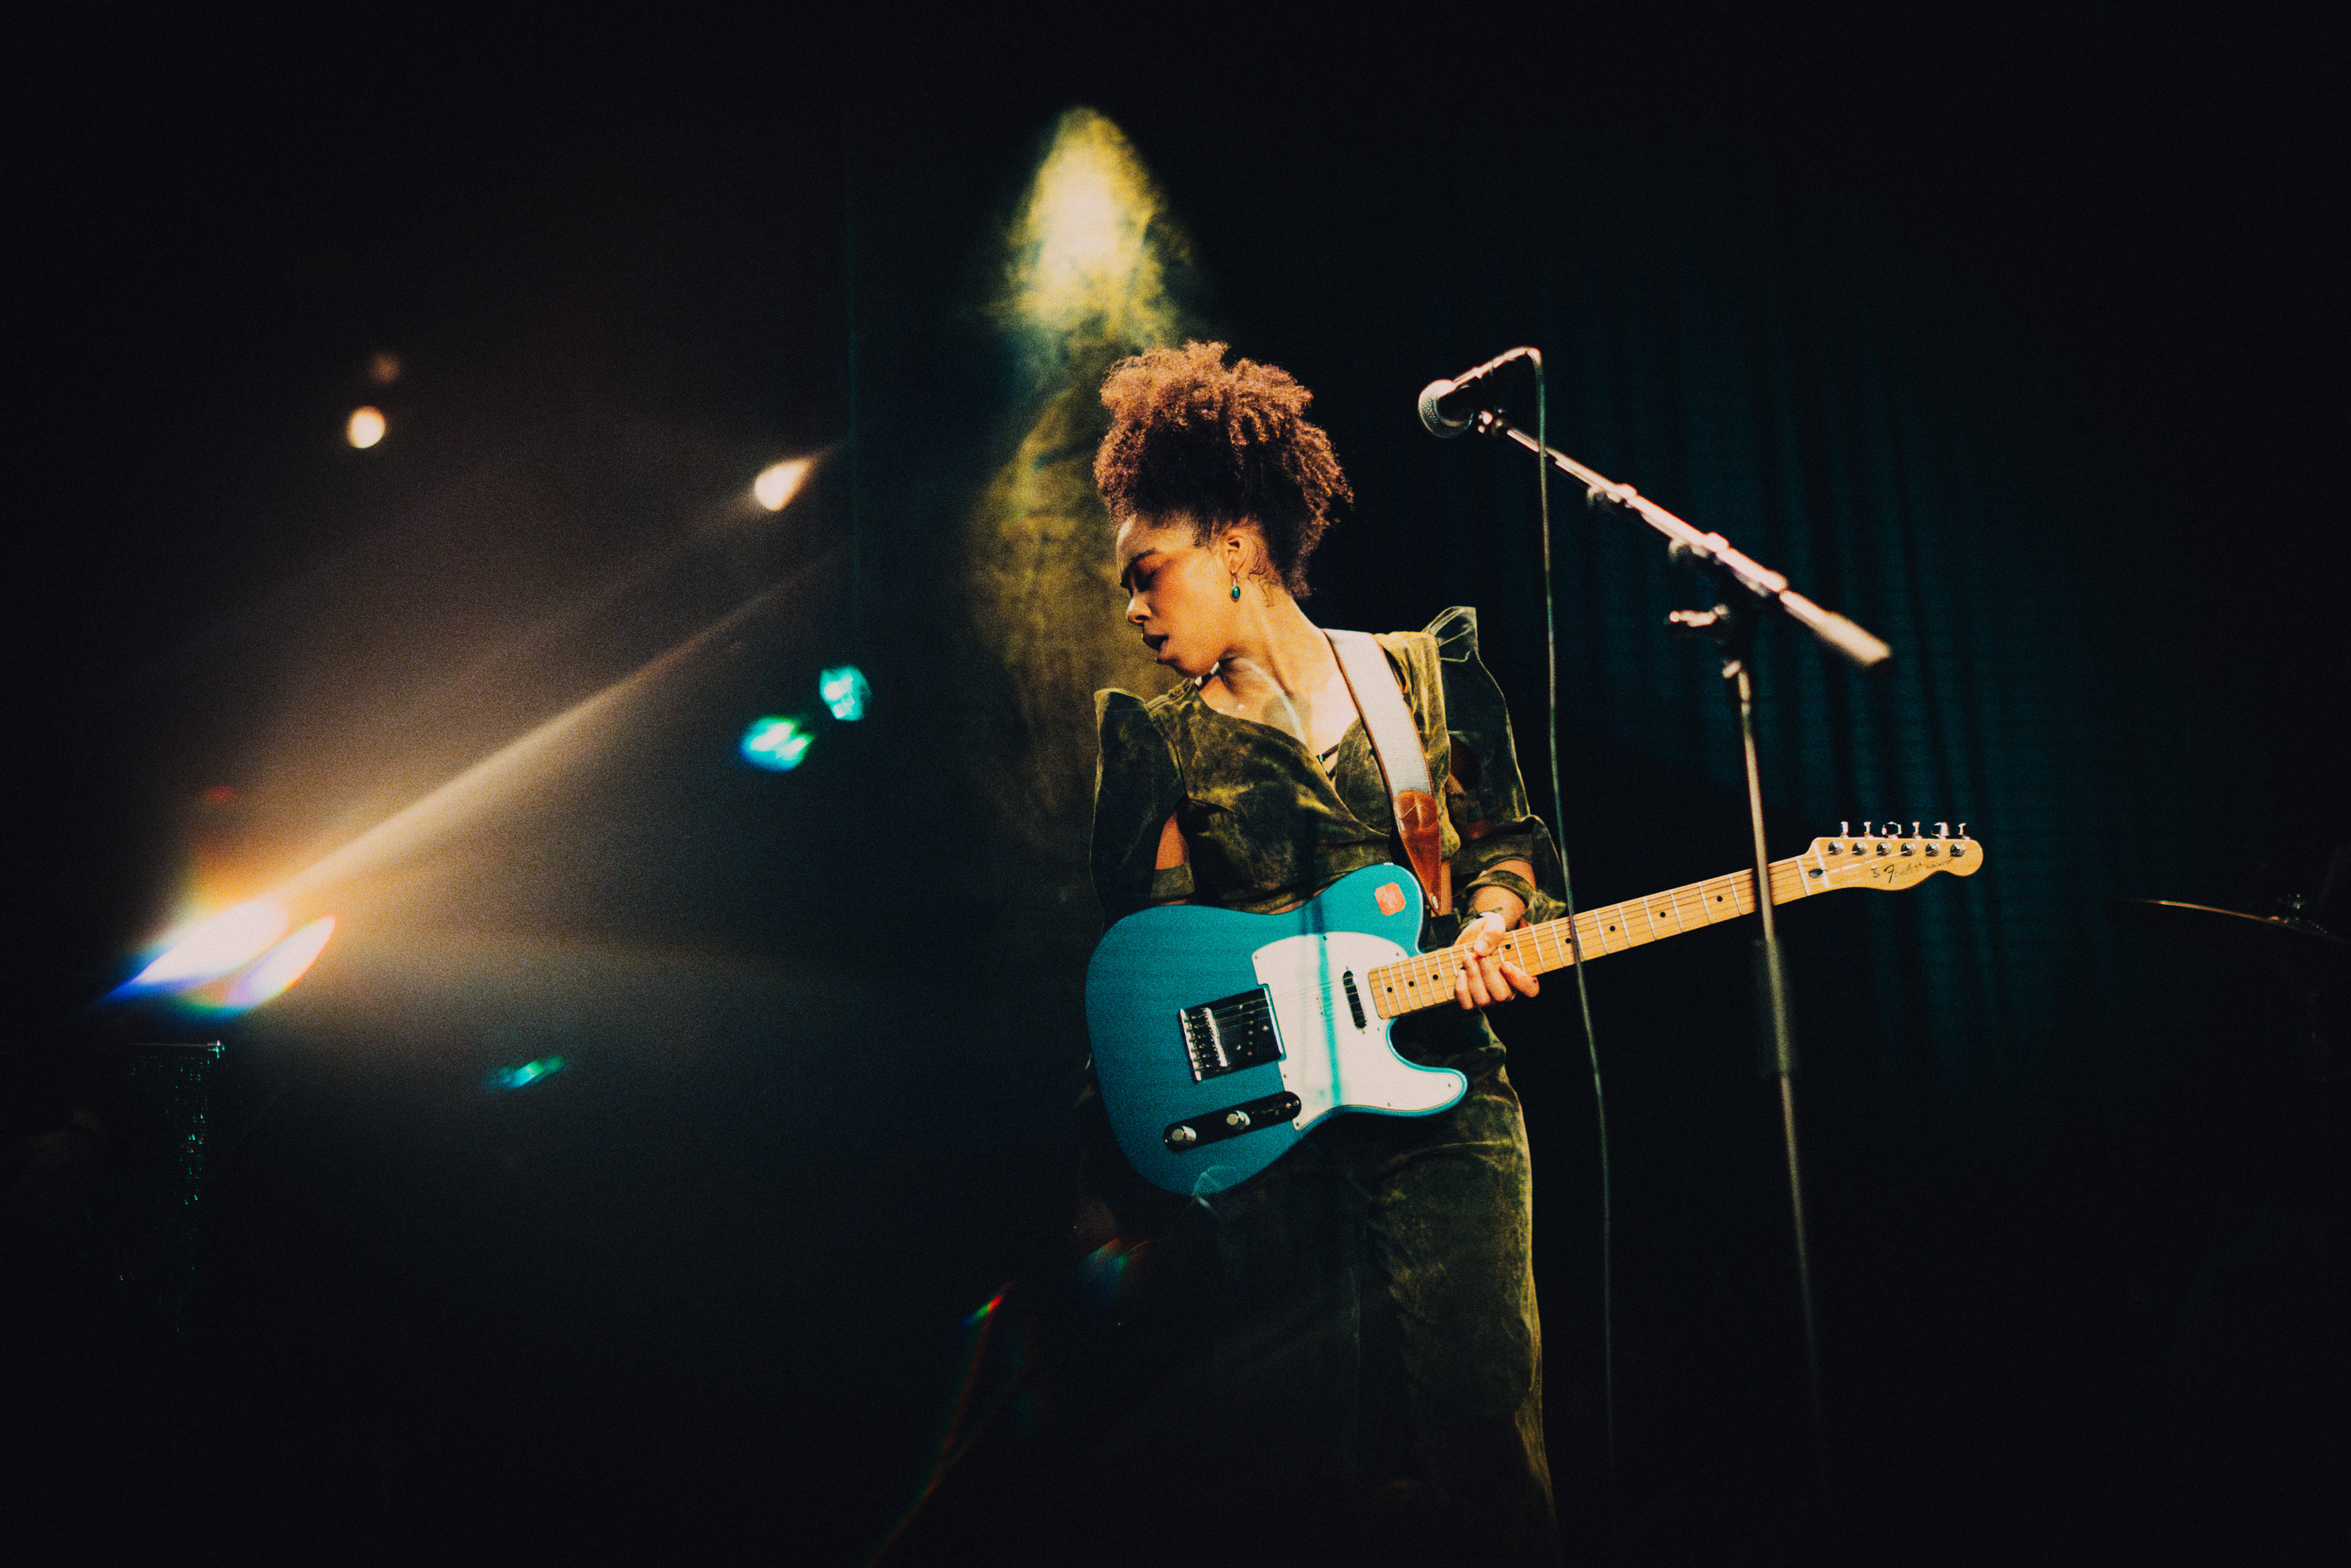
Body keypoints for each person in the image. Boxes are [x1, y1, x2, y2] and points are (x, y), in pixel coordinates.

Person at [1073, 340, 1567, 1566]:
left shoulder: (1421, 679)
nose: (1133, 609)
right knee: (1302, 1483)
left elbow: (1509, 843)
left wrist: (1494, 921)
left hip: (1450, 1103)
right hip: (1272, 1148)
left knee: (1488, 1452)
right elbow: (1143, 963)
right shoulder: (1157, 744)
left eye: (1148, 573)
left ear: (1237, 546)